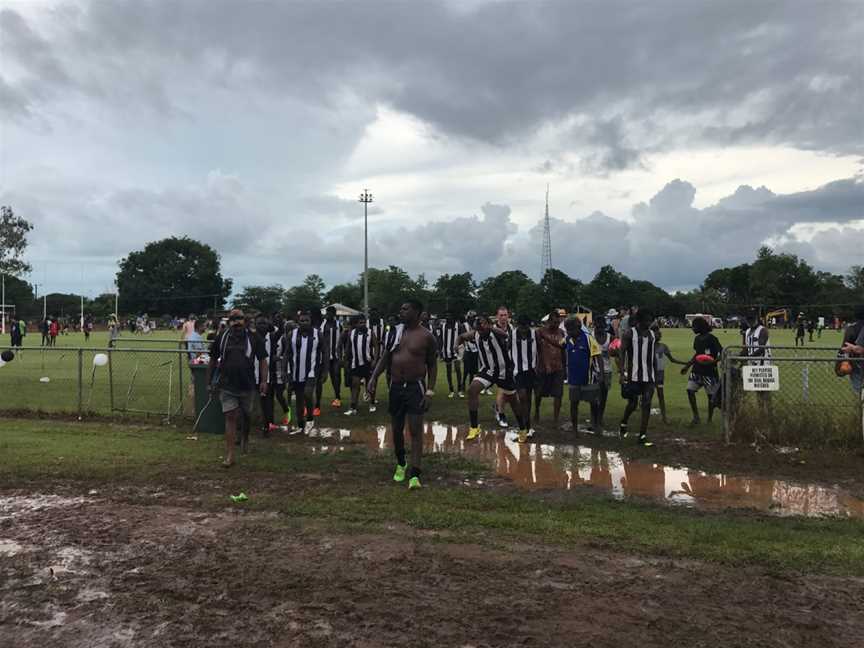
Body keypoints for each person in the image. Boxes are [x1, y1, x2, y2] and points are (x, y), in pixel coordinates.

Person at [367, 300, 437, 490]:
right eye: (401, 308)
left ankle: (415, 474)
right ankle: (401, 463)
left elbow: (432, 364)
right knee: (396, 429)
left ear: (417, 312)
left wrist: (430, 391)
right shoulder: (395, 331)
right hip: (396, 385)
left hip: (416, 387)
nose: (401, 311)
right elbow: (385, 357)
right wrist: (374, 378)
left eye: (405, 309)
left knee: (415, 430)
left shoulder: (426, 337)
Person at [207, 309, 268, 468]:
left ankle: (245, 439)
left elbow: (262, 360)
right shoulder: (222, 337)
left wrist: (264, 380)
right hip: (227, 384)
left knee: (246, 416)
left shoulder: (254, 338)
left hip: (247, 384)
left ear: (244, 321)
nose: (236, 322)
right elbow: (213, 359)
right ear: (229, 322)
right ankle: (230, 454)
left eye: (239, 319)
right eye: (233, 319)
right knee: (230, 416)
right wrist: (209, 381)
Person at [456, 314, 529, 443]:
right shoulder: (475, 334)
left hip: (504, 371)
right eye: (478, 325)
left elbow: (505, 335)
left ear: (489, 324)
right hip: (487, 370)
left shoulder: (497, 333)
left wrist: (490, 327)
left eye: (483, 323)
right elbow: (461, 337)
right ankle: (474, 427)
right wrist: (457, 346)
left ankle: (522, 429)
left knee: (513, 401)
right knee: (472, 390)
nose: (480, 326)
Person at [618, 309, 657, 446]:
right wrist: (622, 373)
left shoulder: (652, 334)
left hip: (649, 376)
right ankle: (623, 421)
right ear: (639, 320)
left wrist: (656, 373)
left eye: (650, 320)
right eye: (647, 320)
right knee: (633, 404)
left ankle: (642, 435)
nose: (649, 323)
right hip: (634, 375)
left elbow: (653, 355)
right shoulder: (630, 333)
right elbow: (622, 352)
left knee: (646, 403)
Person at [680, 317, 723, 425]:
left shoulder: (712, 338)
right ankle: (696, 417)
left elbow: (722, 353)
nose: (692, 328)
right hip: (697, 370)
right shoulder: (697, 339)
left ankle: (709, 419)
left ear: (701, 327)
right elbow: (697, 354)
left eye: (694, 326)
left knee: (711, 397)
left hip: (710, 372)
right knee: (690, 391)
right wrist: (687, 366)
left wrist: (713, 362)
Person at [285, 311, 323, 433]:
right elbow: (287, 353)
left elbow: (325, 352)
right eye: (302, 320)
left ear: (310, 321)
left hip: (312, 370)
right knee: (299, 400)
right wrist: (286, 371)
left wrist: (326, 370)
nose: (304, 322)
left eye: (307, 320)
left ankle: (310, 417)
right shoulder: (292, 334)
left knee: (307, 394)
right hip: (296, 371)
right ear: (298, 321)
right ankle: (301, 424)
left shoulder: (318, 334)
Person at [563, 318, 603, 434]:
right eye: (567, 330)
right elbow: (560, 346)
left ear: (578, 328)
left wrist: (601, 375)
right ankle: (575, 429)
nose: (569, 332)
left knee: (593, 402)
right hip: (573, 378)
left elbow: (598, 356)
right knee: (574, 403)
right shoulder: (567, 339)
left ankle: (596, 425)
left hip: (588, 377)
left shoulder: (588, 338)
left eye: (571, 330)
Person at [535, 310, 564, 426]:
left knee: (558, 394)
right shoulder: (539, 332)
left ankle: (555, 418)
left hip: (558, 367)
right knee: (538, 393)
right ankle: (536, 411)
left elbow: (562, 348)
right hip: (543, 367)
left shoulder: (561, 332)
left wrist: (564, 366)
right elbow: (537, 349)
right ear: (549, 321)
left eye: (558, 322)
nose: (556, 325)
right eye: (554, 323)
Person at [344, 314, 378, 415]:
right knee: (355, 385)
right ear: (356, 324)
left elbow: (376, 346)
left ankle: (372, 403)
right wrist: (345, 360)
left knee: (370, 385)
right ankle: (353, 407)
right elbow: (348, 348)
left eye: (364, 322)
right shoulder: (352, 333)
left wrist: (375, 360)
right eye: (360, 322)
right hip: (356, 363)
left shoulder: (370, 332)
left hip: (368, 363)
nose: (362, 324)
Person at [650, 325, 685, 424]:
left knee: (660, 394)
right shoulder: (648, 346)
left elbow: (672, 359)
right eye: (656, 332)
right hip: (650, 374)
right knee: (648, 395)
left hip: (660, 375)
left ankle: (664, 416)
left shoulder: (663, 346)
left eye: (659, 332)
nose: (659, 333)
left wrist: (685, 363)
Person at [512, 313, 538, 436]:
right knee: (522, 397)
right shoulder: (512, 334)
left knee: (528, 398)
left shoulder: (534, 334)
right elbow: (507, 348)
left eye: (525, 327)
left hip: (531, 370)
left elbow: (539, 350)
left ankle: (528, 426)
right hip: (518, 370)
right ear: (518, 326)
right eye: (521, 327)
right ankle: (523, 425)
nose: (523, 330)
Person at [493, 306, 516, 426]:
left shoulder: (511, 328)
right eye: (501, 315)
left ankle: (497, 407)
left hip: (510, 363)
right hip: (497, 364)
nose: (503, 318)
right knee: (502, 389)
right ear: (497, 316)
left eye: (505, 315)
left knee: (509, 390)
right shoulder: (493, 329)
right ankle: (501, 415)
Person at [317, 306, 343, 413]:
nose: (328, 315)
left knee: (336, 376)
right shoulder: (322, 325)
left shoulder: (338, 325)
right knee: (320, 379)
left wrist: (341, 353)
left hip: (335, 356)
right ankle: (317, 403)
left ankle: (337, 397)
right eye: (327, 313)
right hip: (324, 356)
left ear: (334, 314)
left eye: (330, 313)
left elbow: (342, 339)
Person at [438, 311, 467, 398]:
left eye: (450, 316)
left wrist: (461, 348)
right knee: (448, 371)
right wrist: (440, 351)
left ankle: (459, 390)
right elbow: (439, 339)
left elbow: (464, 337)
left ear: (453, 317)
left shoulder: (459, 326)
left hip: (456, 351)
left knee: (458, 369)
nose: (448, 317)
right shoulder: (442, 326)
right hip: (446, 352)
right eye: (446, 316)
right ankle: (451, 390)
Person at [593, 316, 614, 427]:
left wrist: (613, 352)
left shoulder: (610, 337)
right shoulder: (591, 336)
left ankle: (600, 417)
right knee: (594, 396)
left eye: (602, 327)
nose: (600, 329)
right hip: (593, 370)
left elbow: (617, 350)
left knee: (603, 395)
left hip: (607, 370)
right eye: (598, 326)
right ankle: (594, 418)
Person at [841, 306, 864, 395]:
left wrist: (851, 349)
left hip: (856, 362)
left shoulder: (852, 328)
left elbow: (846, 346)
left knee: (858, 389)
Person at [462, 311, 480, 388]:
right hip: (467, 349)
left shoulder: (476, 326)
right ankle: (463, 383)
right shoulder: (464, 325)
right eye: (471, 317)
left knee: (473, 370)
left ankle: (470, 384)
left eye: (474, 317)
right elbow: (463, 336)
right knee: (466, 369)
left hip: (475, 350)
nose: (472, 319)